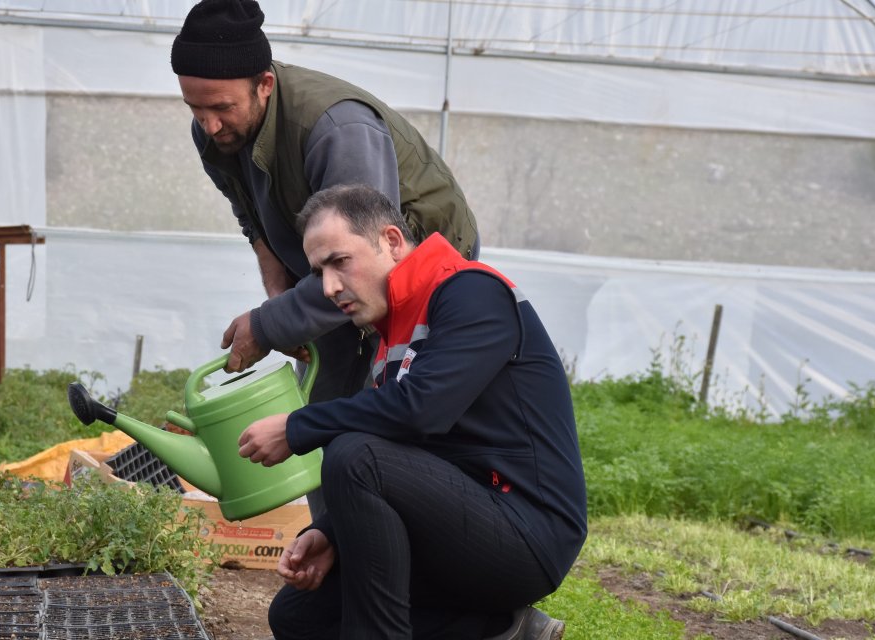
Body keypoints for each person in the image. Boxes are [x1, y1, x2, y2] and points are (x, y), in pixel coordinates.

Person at [236, 184, 587, 640]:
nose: (329, 287)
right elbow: (408, 453)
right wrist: (331, 533)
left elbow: (420, 411)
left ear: (392, 241)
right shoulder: (394, 331)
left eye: (340, 261)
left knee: (355, 455)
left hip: (525, 534)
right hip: (456, 524)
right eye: (319, 271)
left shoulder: (472, 291)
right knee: (299, 616)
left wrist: (296, 426)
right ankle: (498, 630)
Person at [170, 0, 479, 409]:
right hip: (333, 265)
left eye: (223, 108)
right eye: (196, 108)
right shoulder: (214, 132)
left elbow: (366, 258)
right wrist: (280, 306)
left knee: (392, 405)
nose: (209, 125)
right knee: (322, 403)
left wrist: (267, 325)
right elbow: (253, 221)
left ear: (265, 85)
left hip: (409, 259)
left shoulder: (337, 129)